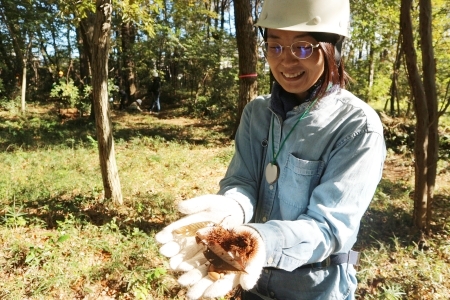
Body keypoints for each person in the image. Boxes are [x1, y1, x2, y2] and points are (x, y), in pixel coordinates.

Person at [155, 0, 386, 299]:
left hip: (314, 290)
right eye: (274, 47)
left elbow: (330, 228)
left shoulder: (356, 126)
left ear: (333, 49)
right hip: (251, 283)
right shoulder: (257, 113)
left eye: (303, 47)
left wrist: (260, 241)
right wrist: (232, 208)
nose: (286, 62)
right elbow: (243, 181)